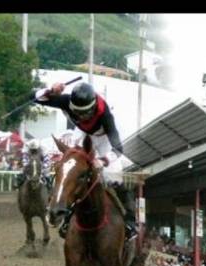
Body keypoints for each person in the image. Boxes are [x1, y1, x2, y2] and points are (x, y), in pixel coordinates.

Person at [31, 81, 137, 241]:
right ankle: (63, 213)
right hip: (82, 134)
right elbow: (34, 98)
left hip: (104, 140)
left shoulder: (105, 114)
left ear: (93, 107)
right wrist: (50, 90)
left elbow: (118, 149)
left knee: (114, 175)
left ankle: (130, 222)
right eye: (78, 112)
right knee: (70, 167)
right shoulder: (65, 101)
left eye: (86, 113)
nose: (81, 116)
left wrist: (103, 161)